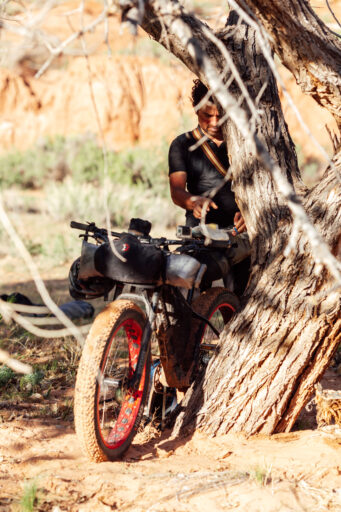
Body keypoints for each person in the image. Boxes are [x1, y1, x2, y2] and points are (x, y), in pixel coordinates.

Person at [168, 79, 250, 294]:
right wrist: (192, 201)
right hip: (199, 234)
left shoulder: (245, 142)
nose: (214, 122)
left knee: (238, 295)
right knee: (194, 296)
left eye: (220, 115)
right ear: (196, 111)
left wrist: (250, 213)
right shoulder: (182, 144)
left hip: (239, 234)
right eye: (207, 116)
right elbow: (176, 191)